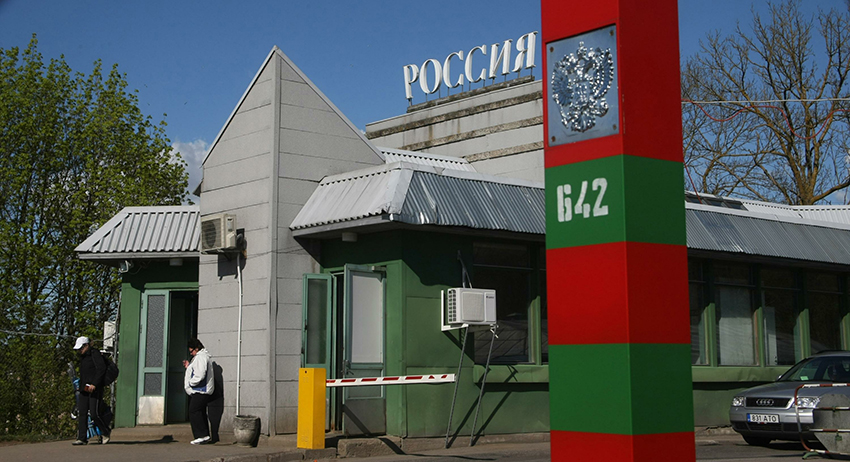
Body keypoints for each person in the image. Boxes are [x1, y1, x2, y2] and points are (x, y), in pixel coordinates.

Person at [72, 336, 111, 445]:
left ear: (87, 345)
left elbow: (101, 369)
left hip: (95, 389)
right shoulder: (83, 357)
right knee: (82, 413)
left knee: (94, 413)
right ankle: (82, 438)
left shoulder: (95, 354)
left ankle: (105, 431)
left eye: (81, 348)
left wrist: (94, 383)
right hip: (84, 388)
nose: (80, 351)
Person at [183, 338, 215, 445]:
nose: (191, 353)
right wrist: (189, 367)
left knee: (194, 411)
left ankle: (201, 435)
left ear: (197, 348)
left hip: (201, 390)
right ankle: (204, 435)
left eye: (191, 351)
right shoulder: (201, 357)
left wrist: (191, 383)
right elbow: (197, 370)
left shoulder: (201, 357)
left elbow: (200, 374)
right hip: (201, 390)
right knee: (200, 411)